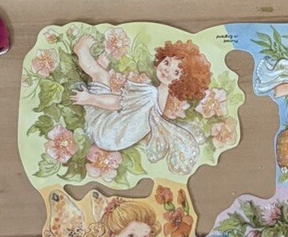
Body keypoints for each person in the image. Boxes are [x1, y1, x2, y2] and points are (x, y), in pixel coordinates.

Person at [70, 36, 211, 175]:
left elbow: (117, 103)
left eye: (176, 72)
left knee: (101, 75)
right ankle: (98, 66)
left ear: (183, 82)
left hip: (103, 129)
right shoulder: (160, 106)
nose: (167, 70)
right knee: (104, 79)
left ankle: (81, 50)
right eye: (167, 62)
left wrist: (89, 99)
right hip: (114, 142)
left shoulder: (151, 93)